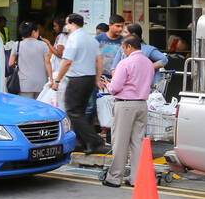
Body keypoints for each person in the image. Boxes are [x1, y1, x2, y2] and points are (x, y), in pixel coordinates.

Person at [99, 35, 154, 188]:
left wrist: (108, 85)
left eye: (123, 48)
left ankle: (115, 177)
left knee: (120, 142)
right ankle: (136, 179)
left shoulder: (125, 63)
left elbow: (115, 88)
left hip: (125, 105)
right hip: (142, 104)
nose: (123, 51)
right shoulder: (149, 63)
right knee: (137, 143)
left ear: (129, 47)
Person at [49, 13, 106, 153]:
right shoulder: (91, 39)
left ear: (72, 24)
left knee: (73, 111)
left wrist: (57, 80)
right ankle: (80, 142)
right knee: (79, 111)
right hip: (89, 79)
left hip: (77, 79)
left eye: (67, 24)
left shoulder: (73, 39)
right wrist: (97, 79)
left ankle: (94, 140)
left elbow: (67, 61)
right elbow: (99, 60)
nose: (66, 27)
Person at [9, 20, 53, 98]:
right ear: (33, 32)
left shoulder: (17, 45)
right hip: (41, 84)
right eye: (37, 31)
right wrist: (51, 79)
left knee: (26, 108)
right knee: (39, 108)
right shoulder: (43, 45)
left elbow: (10, 63)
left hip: (24, 84)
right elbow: (47, 63)